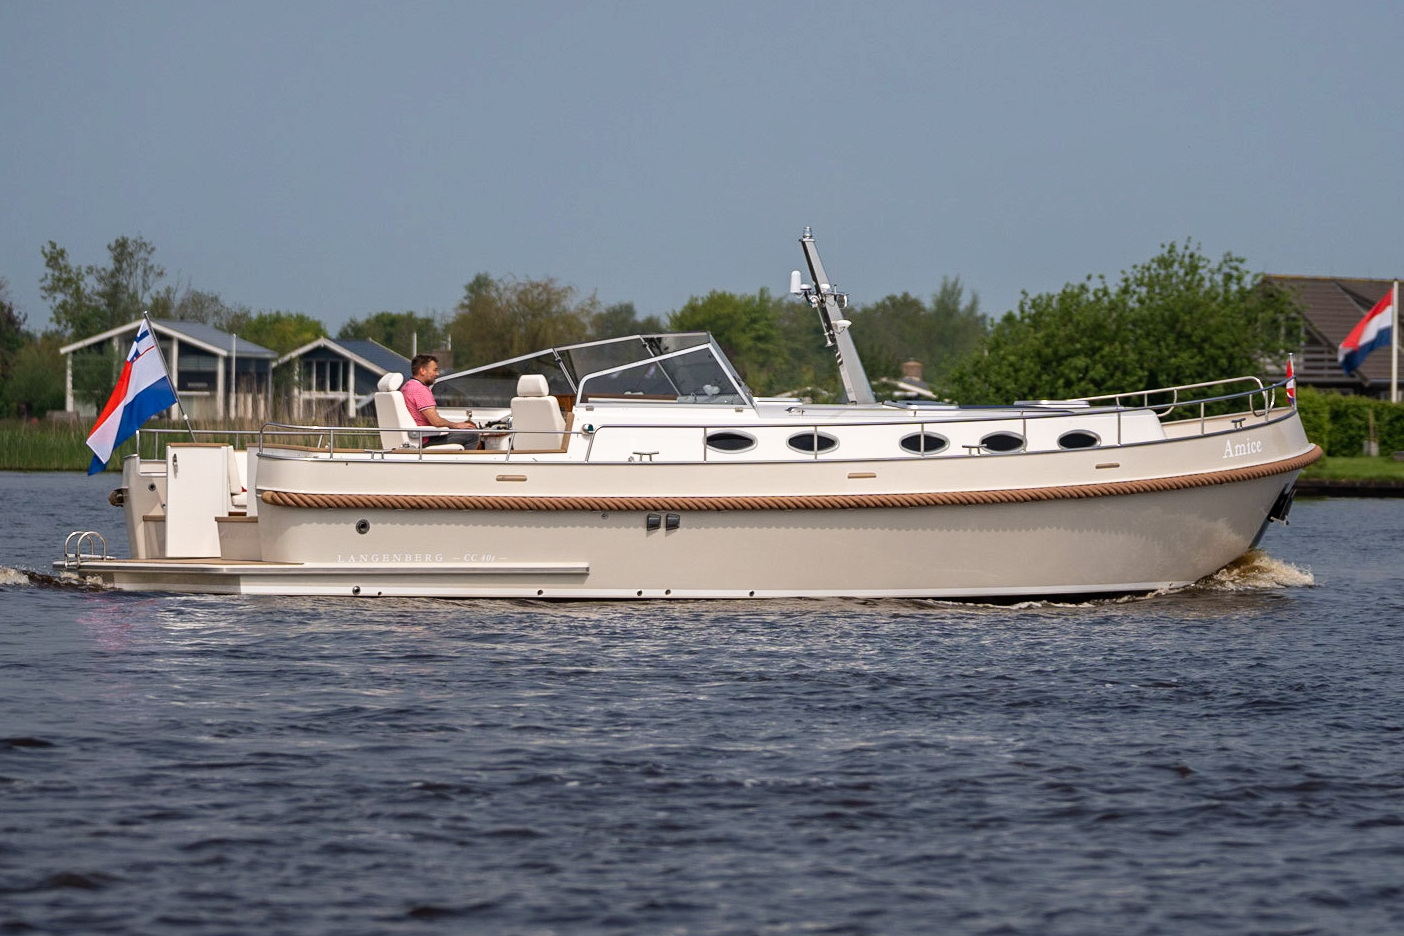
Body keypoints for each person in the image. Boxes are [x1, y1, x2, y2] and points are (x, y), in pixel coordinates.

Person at [402, 353, 480, 448]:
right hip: (425, 440)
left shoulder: (407, 387)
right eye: (434, 370)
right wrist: (456, 425)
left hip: (417, 437)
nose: (437, 374)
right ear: (422, 370)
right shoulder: (420, 390)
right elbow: (436, 422)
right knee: (472, 434)